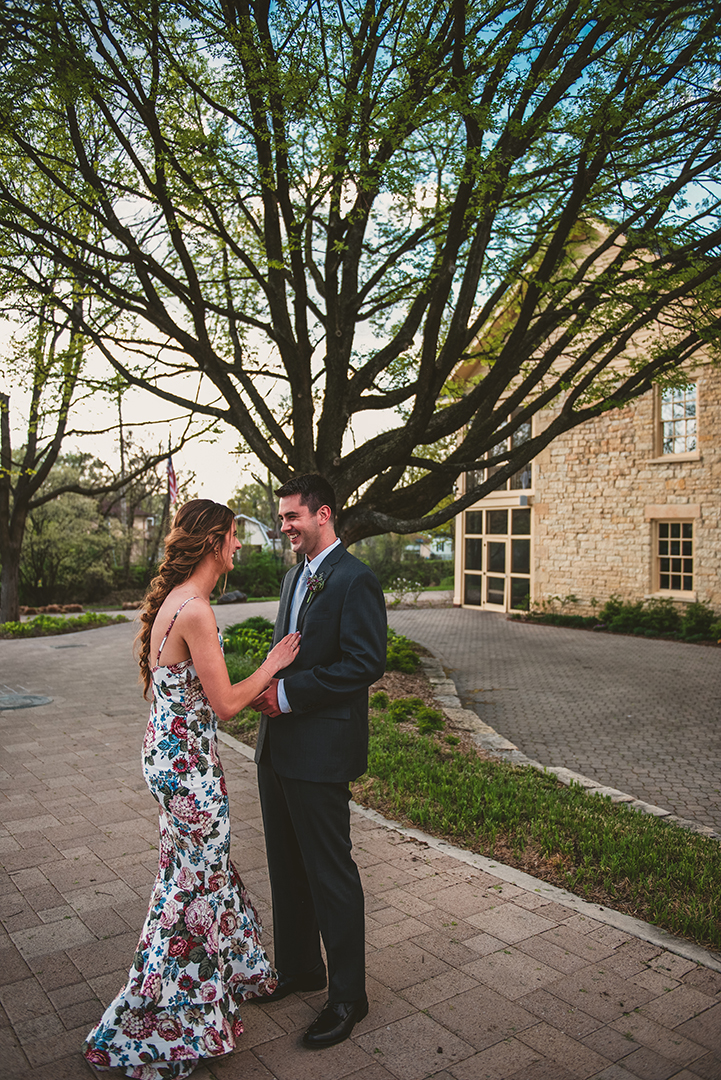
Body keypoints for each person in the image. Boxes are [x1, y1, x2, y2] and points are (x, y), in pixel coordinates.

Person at [82, 500, 300, 1080]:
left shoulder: (175, 601)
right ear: (212, 543)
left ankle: (237, 973)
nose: (238, 546)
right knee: (191, 889)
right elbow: (225, 704)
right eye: (233, 537)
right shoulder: (197, 610)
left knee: (197, 873)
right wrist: (274, 664)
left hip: (172, 761)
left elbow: (198, 696)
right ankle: (157, 1024)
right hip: (188, 773)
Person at [252, 474, 387, 1049]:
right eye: (282, 518)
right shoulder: (292, 577)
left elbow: (365, 663)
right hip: (275, 747)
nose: (284, 526)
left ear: (323, 514)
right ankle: (301, 967)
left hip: (320, 750)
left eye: (291, 517)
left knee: (331, 873)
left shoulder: (356, 580)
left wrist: (288, 695)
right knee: (285, 865)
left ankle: (348, 996)